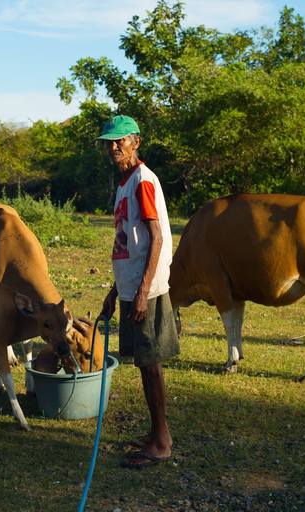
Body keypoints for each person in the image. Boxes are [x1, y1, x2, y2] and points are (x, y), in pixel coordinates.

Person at [98, 115, 179, 469]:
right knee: (144, 365)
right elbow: (129, 243)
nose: (113, 146)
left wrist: (144, 289)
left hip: (148, 288)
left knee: (150, 364)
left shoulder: (144, 181)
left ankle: (162, 441)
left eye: (120, 141)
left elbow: (157, 237)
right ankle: (155, 433)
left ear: (136, 142)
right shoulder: (123, 184)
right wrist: (116, 292)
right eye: (109, 142)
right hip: (131, 287)